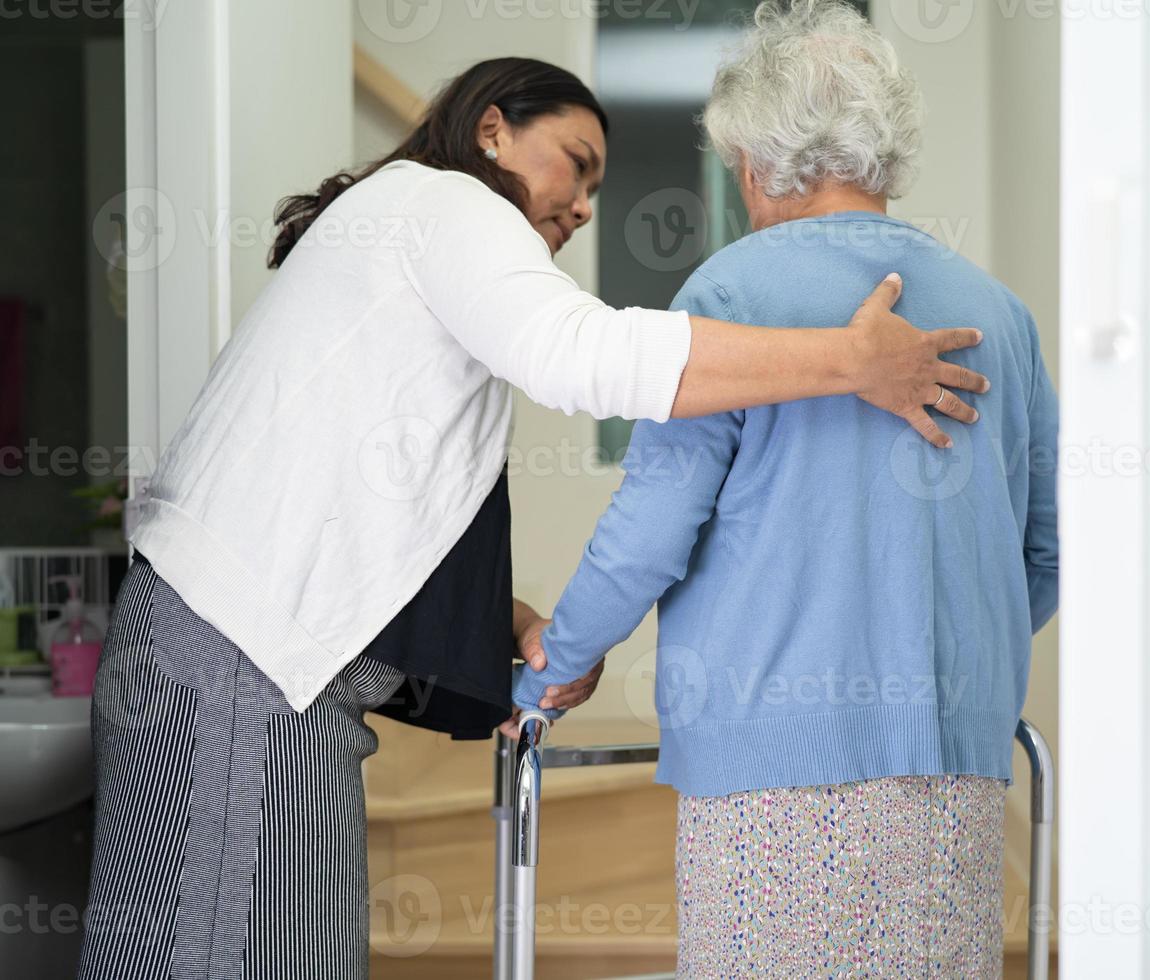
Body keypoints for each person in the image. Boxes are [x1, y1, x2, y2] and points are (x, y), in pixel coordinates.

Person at [75, 56, 990, 978]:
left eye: (598, 184)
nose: (587, 203)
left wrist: (525, 628)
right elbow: (583, 356)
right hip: (238, 658)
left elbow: (390, 505)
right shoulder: (447, 206)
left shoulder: (414, 233)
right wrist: (850, 360)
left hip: (244, 657)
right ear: (492, 131)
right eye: (575, 162)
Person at [508, 4, 1059, 976]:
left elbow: (648, 529)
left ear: (757, 162)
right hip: (957, 752)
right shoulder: (999, 314)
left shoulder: (730, 296)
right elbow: (1046, 546)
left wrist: (561, 655)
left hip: (772, 764)